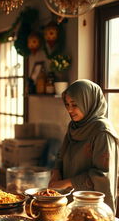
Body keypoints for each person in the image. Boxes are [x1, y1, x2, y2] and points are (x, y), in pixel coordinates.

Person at [49, 79, 118, 212]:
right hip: (71, 201)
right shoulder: (74, 126)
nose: (69, 109)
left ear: (88, 102)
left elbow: (102, 175)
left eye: (74, 104)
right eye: (67, 104)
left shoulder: (102, 132)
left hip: (94, 205)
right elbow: (61, 154)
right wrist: (56, 172)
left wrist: (66, 183)